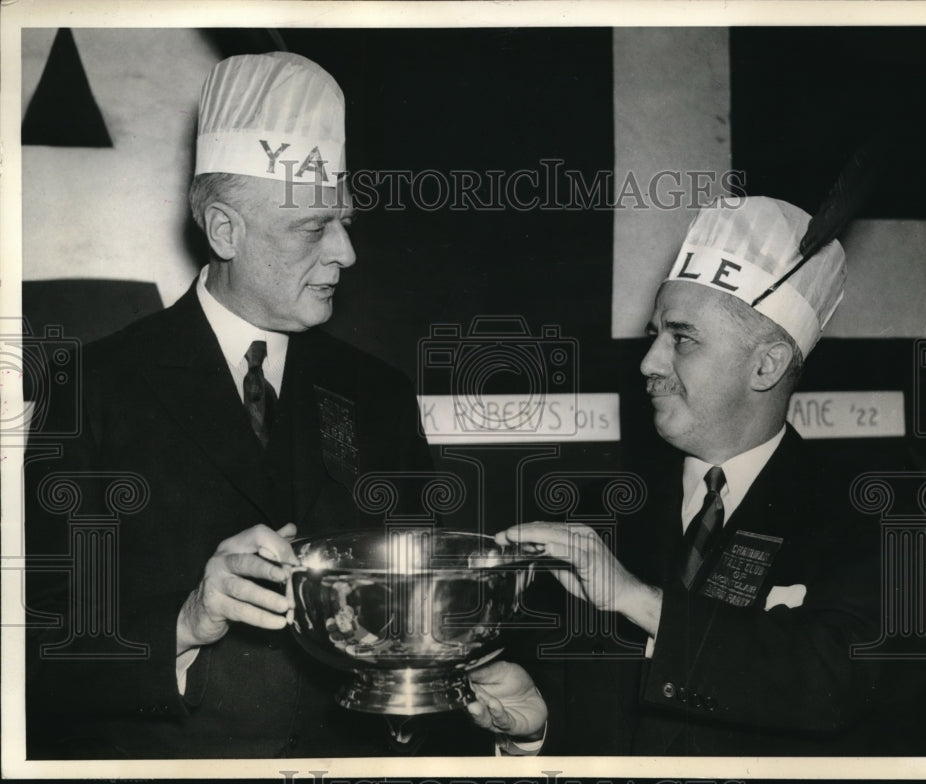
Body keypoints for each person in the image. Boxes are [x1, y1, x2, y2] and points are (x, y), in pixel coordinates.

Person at [25, 51, 541, 759]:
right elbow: (40, 645)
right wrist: (185, 620)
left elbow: (421, 615)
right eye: (312, 227)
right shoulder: (92, 387)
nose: (347, 253)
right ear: (225, 231)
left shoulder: (377, 393)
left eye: (346, 221)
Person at [499, 196, 926, 755]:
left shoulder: (874, 513)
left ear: (766, 364)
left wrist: (638, 600)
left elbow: (835, 681)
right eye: (656, 334)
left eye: (681, 337)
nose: (649, 362)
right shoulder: (594, 516)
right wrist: (535, 731)